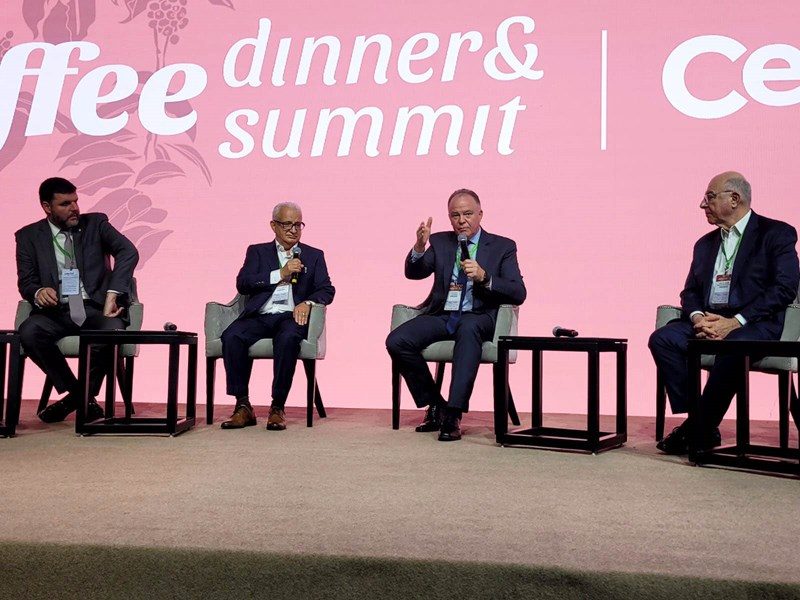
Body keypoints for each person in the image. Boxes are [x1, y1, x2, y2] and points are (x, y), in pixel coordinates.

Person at [649, 171, 799, 454]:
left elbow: (784, 287)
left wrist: (735, 322)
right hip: (710, 319)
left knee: (733, 345)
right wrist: (698, 318)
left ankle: (697, 427)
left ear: (734, 198)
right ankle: (700, 421)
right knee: (663, 339)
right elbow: (690, 292)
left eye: (709, 197)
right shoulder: (704, 244)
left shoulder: (776, 234)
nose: (702, 205)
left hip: (756, 322)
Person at [386, 188, 526, 441]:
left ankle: (453, 413)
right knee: (397, 340)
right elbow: (414, 273)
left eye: (468, 214)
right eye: (455, 215)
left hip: (480, 316)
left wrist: (485, 277)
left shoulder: (503, 246)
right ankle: (436, 403)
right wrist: (419, 246)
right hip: (444, 314)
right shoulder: (440, 242)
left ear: (480, 214)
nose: (462, 221)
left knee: (468, 327)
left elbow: (518, 292)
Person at [16, 177, 139, 423]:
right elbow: (26, 281)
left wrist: (112, 294)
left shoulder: (96, 224)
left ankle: (73, 401)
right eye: (65, 204)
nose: (74, 208)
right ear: (47, 207)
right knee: (29, 331)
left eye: (75, 201)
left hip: (95, 309)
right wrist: (39, 292)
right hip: (55, 311)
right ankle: (80, 396)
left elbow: (128, 251)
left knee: (111, 332)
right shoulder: (28, 236)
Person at [220, 202, 335, 431]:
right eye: (287, 224)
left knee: (288, 338)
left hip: (291, 317)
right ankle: (242, 405)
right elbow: (243, 284)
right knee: (231, 335)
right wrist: (280, 273)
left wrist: (307, 303)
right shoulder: (257, 252)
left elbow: (327, 290)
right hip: (260, 315)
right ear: (273, 226)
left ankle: (277, 406)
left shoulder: (313, 255)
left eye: (298, 225)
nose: (293, 230)